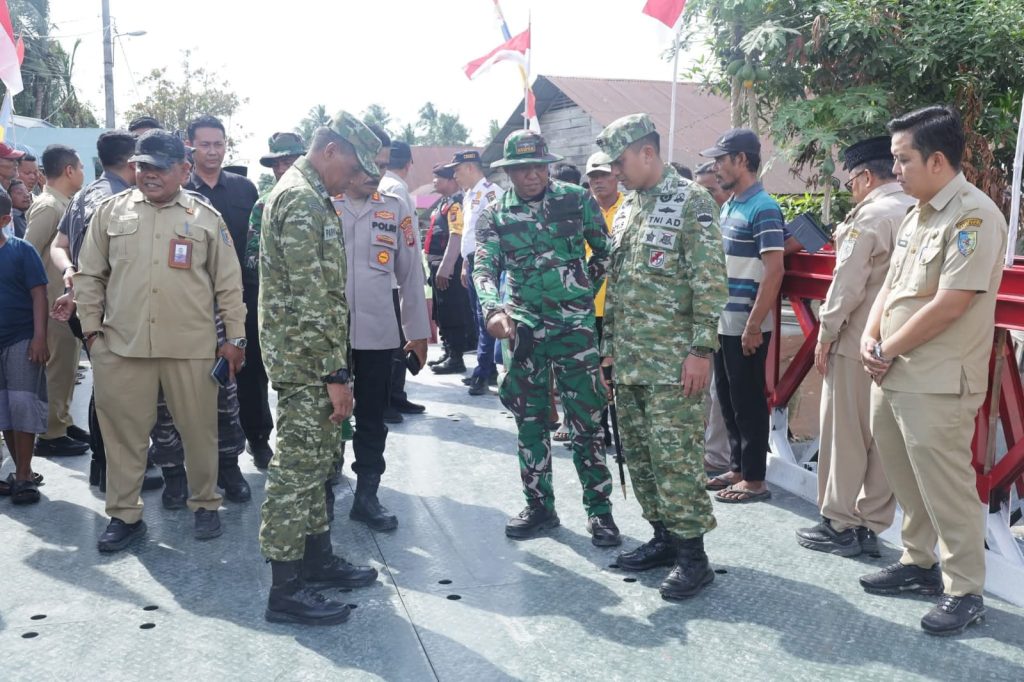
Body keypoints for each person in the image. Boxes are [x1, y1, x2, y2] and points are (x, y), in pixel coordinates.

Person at [860, 105, 1007, 636]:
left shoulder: (973, 216)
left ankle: (964, 589)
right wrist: (870, 334)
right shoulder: (916, 214)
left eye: (903, 160)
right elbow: (892, 284)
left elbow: (951, 302)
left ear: (937, 160)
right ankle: (918, 561)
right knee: (905, 474)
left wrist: (887, 347)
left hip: (938, 380)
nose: (895, 170)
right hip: (895, 371)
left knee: (947, 486)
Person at [75, 130, 247, 551]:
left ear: (184, 170)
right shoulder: (110, 212)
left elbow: (229, 283)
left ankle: (204, 503)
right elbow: (89, 274)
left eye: (159, 167)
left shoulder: (205, 217)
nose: (148, 174)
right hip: (122, 346)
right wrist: (92, 334)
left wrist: (235, 339)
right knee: (124, 438)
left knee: (199, 432)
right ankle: (125, 515)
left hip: (190, 347)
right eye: (142, 166)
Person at [596, 114, 728, 599]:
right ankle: (663, 537)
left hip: (674, 363)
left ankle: (693, 557)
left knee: (676, 459)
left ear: (647, 153)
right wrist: (609, 352)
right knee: (641, 456)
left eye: (620, 162)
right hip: (630, 360)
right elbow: (619, 286)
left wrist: (701, 350)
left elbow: (709, 280)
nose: (615, 172)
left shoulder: (691, 201)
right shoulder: (629, 207)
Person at [259, 111, 380, 625]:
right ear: (330, 150)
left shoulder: (310, 194)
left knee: (316, 468)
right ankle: (286, 590)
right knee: (296, 473)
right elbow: (309, 296)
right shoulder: (301, 200)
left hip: (314, 358)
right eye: (351, 167)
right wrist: (335, 374)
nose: (353, 179)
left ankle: (316, 560)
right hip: (307, 362)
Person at [474, 129, 619, 545]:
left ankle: (600, 513)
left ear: (547, 165)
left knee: (587, 421)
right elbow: (484, 267)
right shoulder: (496, 214)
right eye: (522, 168)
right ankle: (540, 507)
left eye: (538, 166)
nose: (532, 175)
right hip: (524, 331)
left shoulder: (576, 199)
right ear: (509, 172)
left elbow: (605, 251)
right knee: (530, 420)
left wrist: (582, 291)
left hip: (575, 329)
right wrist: (493, 309)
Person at [795, 136, 911, 557]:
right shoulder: (917, 211)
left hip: (856, 341)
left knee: (845, 434)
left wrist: (826, 334)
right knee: (884, 439)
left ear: (864, 177)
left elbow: (846, 286)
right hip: (901, 344)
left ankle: (840, 523)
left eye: (850, 182)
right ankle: (870, 526)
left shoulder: (871, 216)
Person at [334, 135, 429, 532]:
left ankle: (367, 495)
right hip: (329, 334)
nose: (377, 173)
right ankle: (323, 486)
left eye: (382, 164)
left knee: (373, 416)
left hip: (378, 332)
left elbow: (410, 272)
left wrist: (418, 333)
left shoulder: (394, 206)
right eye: (368, 164)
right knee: (326, 412)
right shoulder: (324, 202)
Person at [49, 131, 154, 491]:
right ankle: (113, 469)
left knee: (106, 387)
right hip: (111, 310)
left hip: (85, 305)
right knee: (117, 393)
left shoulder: (83, 195)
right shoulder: (118, 201)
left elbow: (59, 245)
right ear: (132, 163)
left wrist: (69, 273)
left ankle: (103, 466)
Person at [699, 129, 785, 504]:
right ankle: (736, 468)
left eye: (721, 160)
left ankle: (754, 479)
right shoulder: (732, 204)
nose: (716, 167)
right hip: (725, 322)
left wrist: (753, 325)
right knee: (729, 398)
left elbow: (774, 270)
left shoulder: (763, 207)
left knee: (748, 401)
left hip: (746, 324)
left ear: (742, 160)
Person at [184, 114, 260, 499]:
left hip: (242, 301)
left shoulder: (245, 189)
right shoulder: (180, 190)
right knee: (201, 387)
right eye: (205, 145)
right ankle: (200, 468)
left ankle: (254, 445)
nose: (213, 152)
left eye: (219, 144)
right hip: (194, 307)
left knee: (249, 377)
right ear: (191, 147)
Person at [241, 131, 306, 469]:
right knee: (258, 373)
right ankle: (260, 438)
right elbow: (251, 258)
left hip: (313, 309)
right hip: (271, 306)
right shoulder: (264, 204)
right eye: (276, 163)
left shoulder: (323, 200)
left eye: (289, 161)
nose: (282, 168)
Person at [23, 145, 88, 458]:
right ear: (69, 170)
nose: (83, 173)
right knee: (57, 367)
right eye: (81, 167)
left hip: (64, 300)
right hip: (51, 302)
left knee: (67, 365)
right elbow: (26, 254)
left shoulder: (64, 203)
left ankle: (61, 421)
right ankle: (50, 433)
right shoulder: (49, 206)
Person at [0, 189, 49, 504]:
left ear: (4, 220)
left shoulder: (22, 251)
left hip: (21, 339)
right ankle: (22, 470)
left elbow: (39, 294)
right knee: (4, 407)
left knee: (22, 403)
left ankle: (23, 474)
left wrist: (40, 337)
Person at [377, 138, 426, 420]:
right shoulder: (396, 188)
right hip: (396, 279)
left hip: (387, 276)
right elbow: (406, 238)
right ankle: (389, 398)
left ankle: (395, 396)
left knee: (393, 343)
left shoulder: (384, 184)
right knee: (395, 343)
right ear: (409, 163)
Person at [450, 150, 503, 395]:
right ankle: (487, 368)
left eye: (457, 170)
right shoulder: (469, 195)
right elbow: (469, 233)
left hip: (488, 261)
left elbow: (496, 231)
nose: (455, 175)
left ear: (470, 167)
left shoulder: (491, 192)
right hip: (472, 261)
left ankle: (482, 373)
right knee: (476, 315)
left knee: (485, 317)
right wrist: (464, 263)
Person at [692, 161, 732, 475]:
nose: (702, 198)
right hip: (699, 317)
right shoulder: (697, 222)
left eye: (709, 190)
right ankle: (701, 447)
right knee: (700, 387)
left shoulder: (736, 217)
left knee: (720, 389)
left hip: (730, 318)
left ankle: (717, 455)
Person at [584, 151, 624, 447]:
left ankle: (624, 434)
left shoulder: (630, 209)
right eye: (593, 176)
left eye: (603, 175)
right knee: (591, 373)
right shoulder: (581, 211)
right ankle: (599, 431)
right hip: (587, 306)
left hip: (621, 308)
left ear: (616, 175)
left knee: (618, 375)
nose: (598, 181)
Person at [426, 163, 472, 375]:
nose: (434, 181)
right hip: (437, 266)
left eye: (439, 178)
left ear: (451, 181)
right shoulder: (443, 203)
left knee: (451, 311)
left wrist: (445, 267)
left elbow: (456, 236)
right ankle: (448, 350)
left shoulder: (456, 205)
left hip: (448, 268)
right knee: (441, 311)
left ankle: (456, 357)